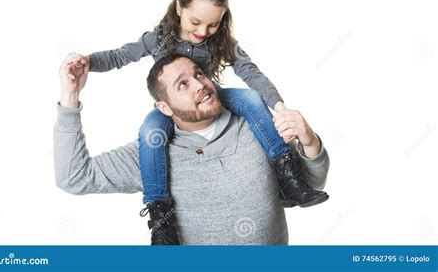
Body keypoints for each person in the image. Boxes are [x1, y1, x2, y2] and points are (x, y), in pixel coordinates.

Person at [66, 0, 328, 244]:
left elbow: (251, 73)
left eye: (213, 25)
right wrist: (89, 62)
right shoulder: (157, 38)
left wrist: (280, 107)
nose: (203, 32)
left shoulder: (223, 42)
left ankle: (287, 174)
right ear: (179, 7)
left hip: (213, 98)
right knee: (148, 134)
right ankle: (160, 219)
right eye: (195, 22)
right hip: (174, 111)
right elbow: (120, 56)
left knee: (251, 98)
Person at [55, 53, 330, 245]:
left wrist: (309, 141)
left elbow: (309, 184)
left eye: (199, 74)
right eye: (183, 85)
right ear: (164, 107)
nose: (200, 85)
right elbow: (74, 177)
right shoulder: (152, 154)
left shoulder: (257, 126)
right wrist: (70, 98)